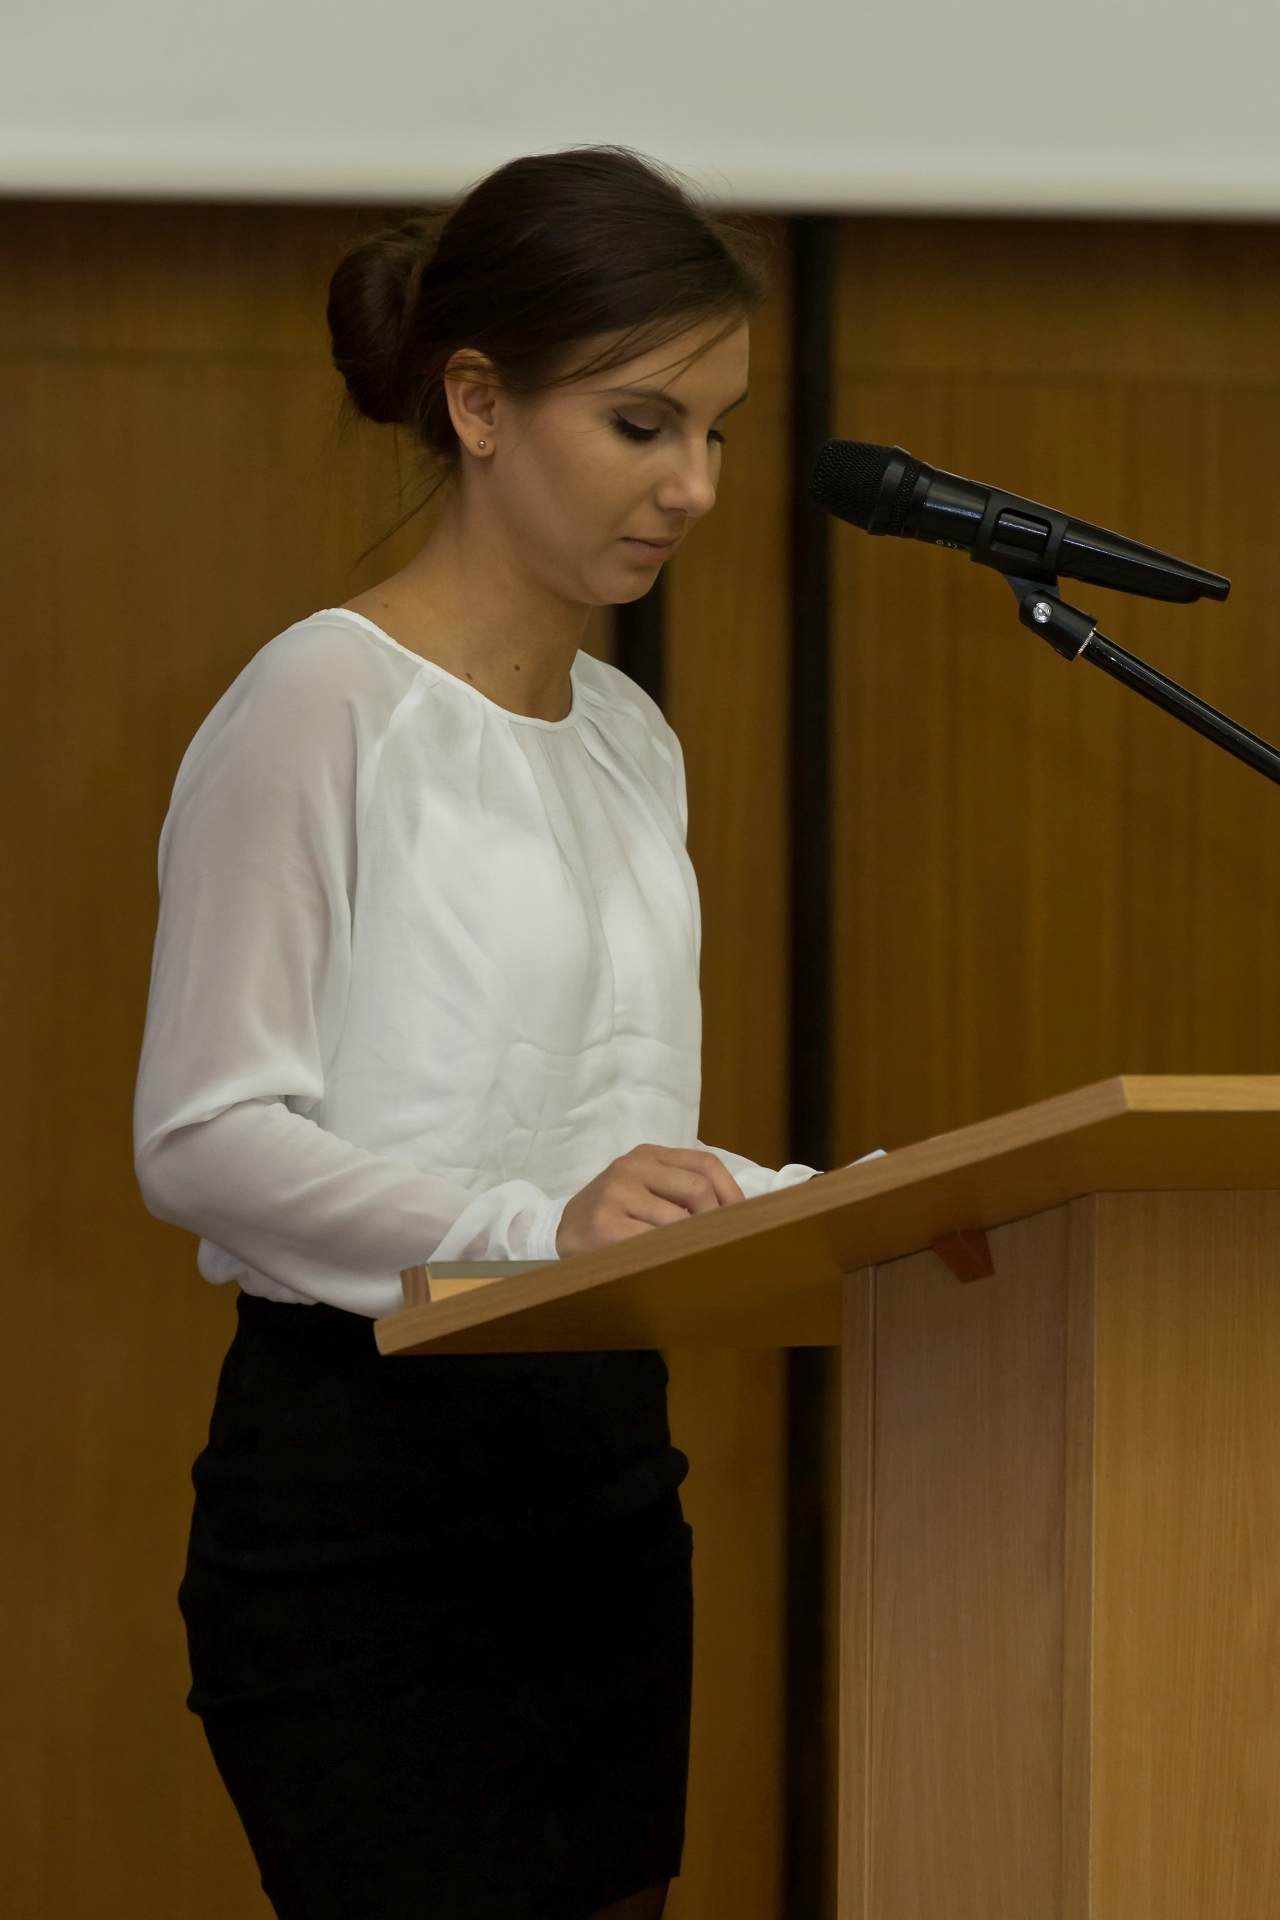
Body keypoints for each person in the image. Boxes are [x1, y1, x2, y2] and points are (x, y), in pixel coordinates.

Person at [134, 147, 814, 1920]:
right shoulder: (323, 700)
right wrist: (529, 1231)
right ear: (479, 403)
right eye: (643, 424)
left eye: (719, 431)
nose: (696, 486)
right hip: (369, 1498)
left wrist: (814, 1208)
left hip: (601, 1479)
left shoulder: (630, 738)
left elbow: (600, 1131)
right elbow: (203, 1137)